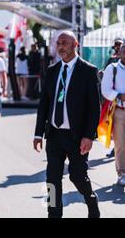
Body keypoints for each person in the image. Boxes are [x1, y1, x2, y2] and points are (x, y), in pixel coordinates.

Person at [33, 31, 101, 218]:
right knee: (52, 180)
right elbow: (44, 105)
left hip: (77, 137)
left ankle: (90, 198)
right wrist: (38, 133)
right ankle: (53, 214)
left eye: (64, 43)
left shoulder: (88, 71)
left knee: (77, 176)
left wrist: (89, 135)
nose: (61, 47)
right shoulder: (53, 71)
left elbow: (94, 108)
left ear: (75, 44)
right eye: (58, 43)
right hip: (54, 135)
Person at [101, 43, 125, 186]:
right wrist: (119, 96)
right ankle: (121, 172)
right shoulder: (113, 69)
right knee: (120, 144)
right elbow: (105, 89)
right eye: (123, 50)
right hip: (118, 111)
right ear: (120, 52)